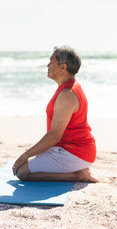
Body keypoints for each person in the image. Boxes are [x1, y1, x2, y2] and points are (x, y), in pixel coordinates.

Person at [12, 46, 98, 183]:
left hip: (75, 153)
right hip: (68, 149)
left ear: (62, 67)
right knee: (23, 165)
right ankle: (77, 171)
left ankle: (78, 175)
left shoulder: (67, 94)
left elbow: (54, 136)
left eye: (51, 62)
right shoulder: (66, 87)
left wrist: (23, 157)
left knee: (22, 172)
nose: (48, 65)